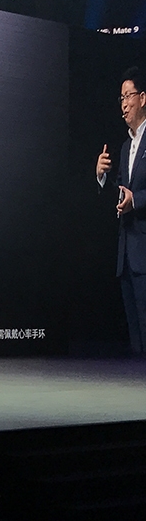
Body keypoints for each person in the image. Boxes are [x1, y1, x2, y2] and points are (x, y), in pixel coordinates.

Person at [96, 66, 146, 355]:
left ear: (143, 98)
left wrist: (136, 200)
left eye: (128, 96)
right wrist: (101, 177)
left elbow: (133, 196)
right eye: (121, 98)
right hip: (127, 255)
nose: (124, 104)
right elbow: (120, 193)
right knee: (136, 341)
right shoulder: (126, 146)